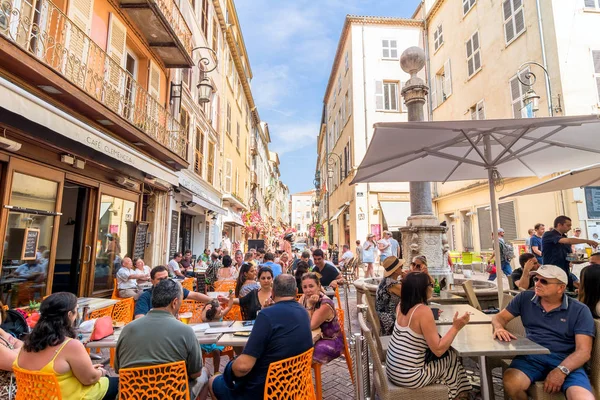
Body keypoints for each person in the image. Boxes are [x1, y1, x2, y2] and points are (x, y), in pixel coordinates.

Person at [492, 265, 595, 400]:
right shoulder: (525, 298)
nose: (537, 284)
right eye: (536, 279)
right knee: (512, 383)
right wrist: (499, 327)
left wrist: (561, 371)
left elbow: (583, 351)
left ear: (561, 288)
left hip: (566, 359)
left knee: (584, 398)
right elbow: (499, 317)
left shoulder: (579, 310)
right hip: (532, 357)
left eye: (544, 281)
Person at [209, 275, 312, 400]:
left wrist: (229, 369)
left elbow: (242, 367)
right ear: (296, 292)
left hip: (265, 391)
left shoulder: (267, 315)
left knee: (213, 380)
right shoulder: (304, 312)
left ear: (272, 292)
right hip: (294, 387)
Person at [116, 279, 209, 400]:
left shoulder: (127, 330)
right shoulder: (186, 331)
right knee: (205, 373)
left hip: (134, 395)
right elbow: (196, 372)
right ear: (175, 303)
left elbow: (118, 369)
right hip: (173, 395)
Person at [15, 293, 118, 400]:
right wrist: (101, 372)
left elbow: (51, 372)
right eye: (76, 311)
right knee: (119, 383)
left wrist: (89, 369)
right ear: (69, 315)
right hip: (70, 396)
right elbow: (90, 379)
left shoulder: (27, 344)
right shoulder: (70, 345)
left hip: (37, 396)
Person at [385, 272, 472, 399]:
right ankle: (456, 395)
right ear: (422, 289)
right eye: (430, 284)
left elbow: (415, 323)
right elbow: (438, 350)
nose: (432, 286)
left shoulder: (401, 305)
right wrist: (456, 327)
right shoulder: (423, 312)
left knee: (448, 364)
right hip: (410, 377)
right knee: (451, 358)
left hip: (393, 371)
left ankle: (455, 393)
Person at [134, 266, 215, 319]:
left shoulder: (174, 290)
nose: (164, 281)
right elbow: (139, 319)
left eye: (166, 278)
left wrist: (213, 301)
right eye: (160, 279)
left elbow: (195, 295)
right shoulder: (145, 297)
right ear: (152, 281)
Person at [542, 216, 597, 290]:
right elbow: (568, 241)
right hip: (551, 273)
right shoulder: (549, 234)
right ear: (559, 225)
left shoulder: (565, 238)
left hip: (565, 273)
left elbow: (571, 258)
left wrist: (589, 258)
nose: (570, 228)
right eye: (568, 225)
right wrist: (587, 241)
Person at [299, 273, 343, 364]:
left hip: (329, 340)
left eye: (311, 286)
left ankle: (303, 376)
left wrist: (310, 305)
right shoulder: (304, 298)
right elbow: (297, 316)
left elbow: (310, 326)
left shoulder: (325, 304)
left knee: (302, 355)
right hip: (313, 337)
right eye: (305, 287)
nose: (308, 290)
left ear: (318, 286)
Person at [201, 298, 234, 374]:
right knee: (199, 349)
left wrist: (231, 298)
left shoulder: (220, 315)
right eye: (219, 312)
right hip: (207, 340)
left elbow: (229, 307)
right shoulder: (207, 319)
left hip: (218, 340)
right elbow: (203, 317)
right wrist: (206, 309)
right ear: (212, 315)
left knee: (216, 351)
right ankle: (201, 368)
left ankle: (216, 371)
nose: (221, 312)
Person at [375, 256, 403, 336]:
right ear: (396, 270)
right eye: (401, 267)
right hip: (390, 323)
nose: (402, 268)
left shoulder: (386, 280)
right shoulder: (392, 284)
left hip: (384, 319)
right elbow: (412, 295)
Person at [0, 301, 22, 400]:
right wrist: (18, 350)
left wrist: (15, 350)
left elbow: (21, 344)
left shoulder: (1, 332)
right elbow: (17, 361)